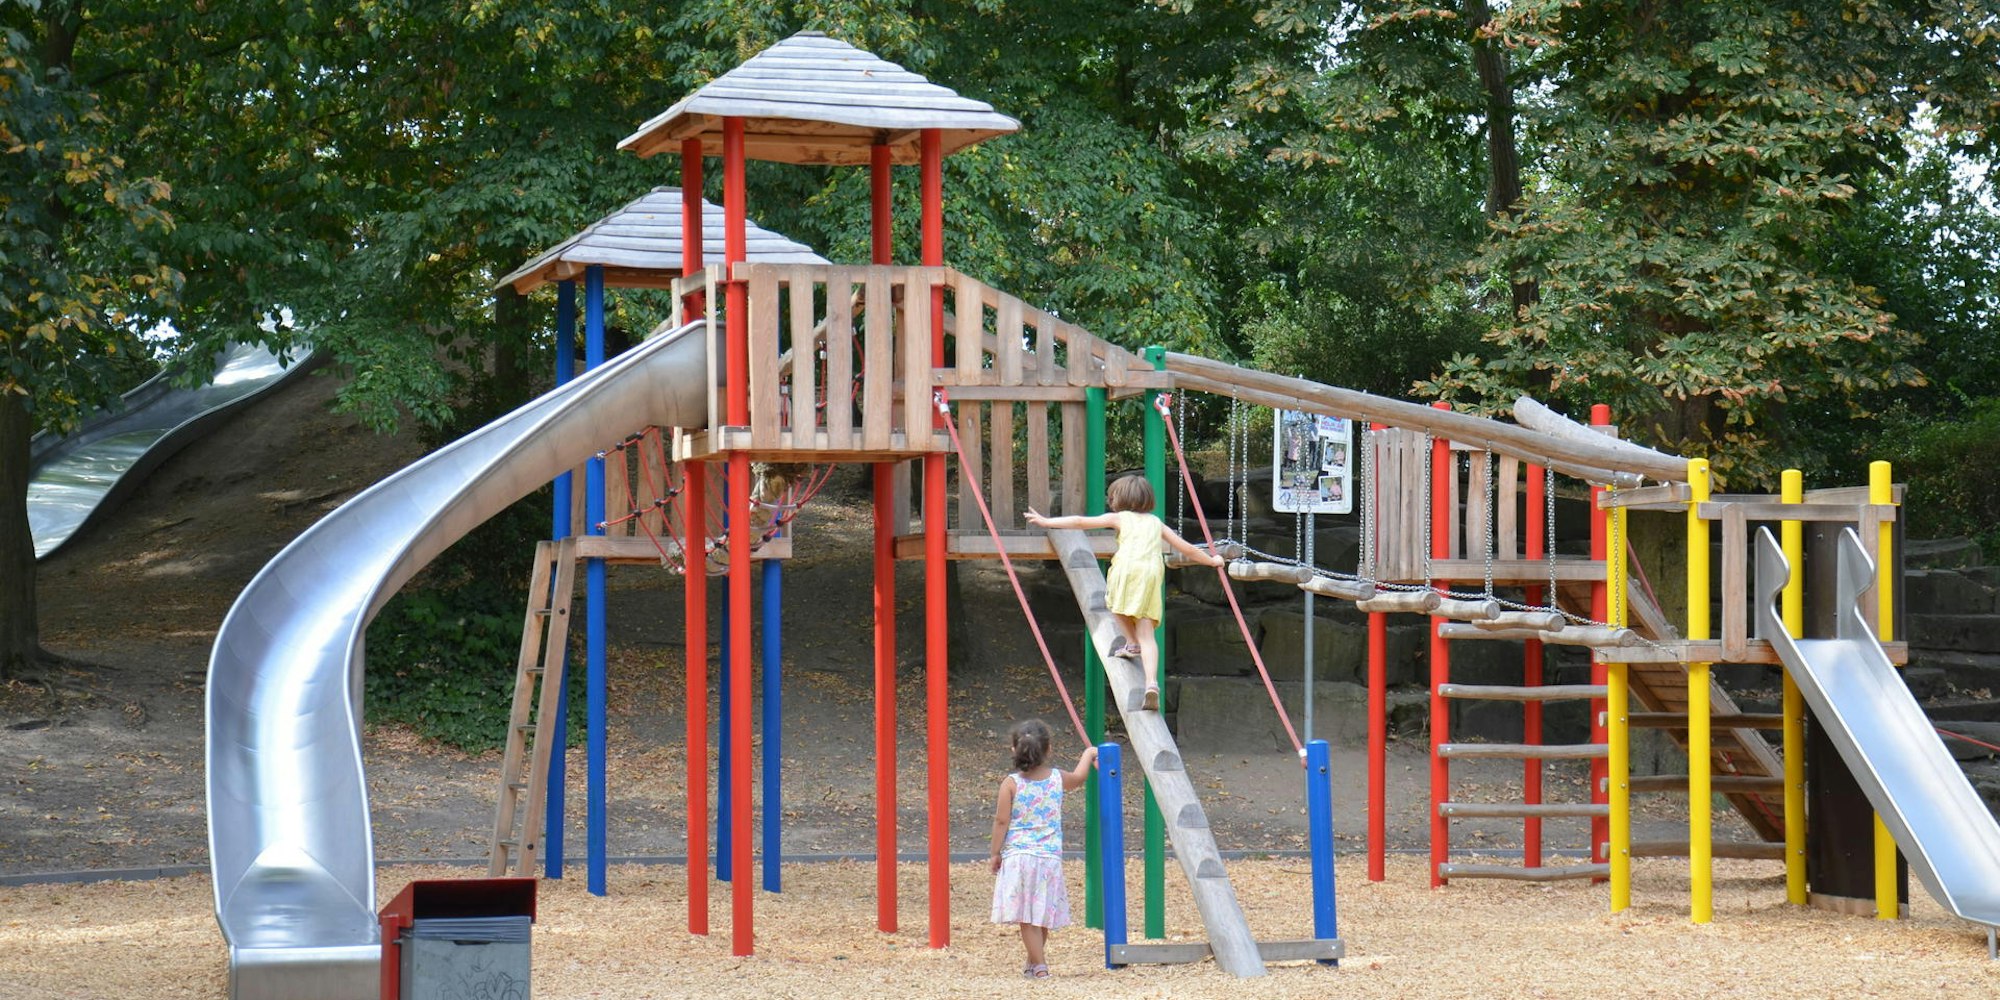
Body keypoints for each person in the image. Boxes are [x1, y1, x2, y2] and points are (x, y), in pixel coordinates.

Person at [1025, 475, 1222, 710]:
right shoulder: (1156, 524)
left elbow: (1079, 521)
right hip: (1150, 574)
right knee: (1147, 631)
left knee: (1113, 604)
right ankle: (1151, 684)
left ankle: (1130, 642)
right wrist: (1212, 561)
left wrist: (1047, 522)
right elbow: (1187, 548)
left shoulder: (1119, 518)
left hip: (1126, 570)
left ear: (1120, 499)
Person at [989, 719, 1098, 979]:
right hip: (1048, 858)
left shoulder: (1011, 783)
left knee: (1027, 917)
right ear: (1048, 750)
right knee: (1041, 914)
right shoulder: (1057, 779)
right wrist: (1089, 753)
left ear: (1013, 750)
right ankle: (1033, 962)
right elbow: (1080, 777)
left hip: (1019, 857)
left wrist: (995, 852)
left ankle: (1040, 966)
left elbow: (1001, 820)